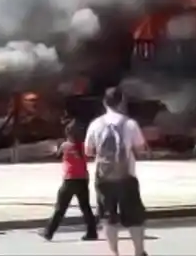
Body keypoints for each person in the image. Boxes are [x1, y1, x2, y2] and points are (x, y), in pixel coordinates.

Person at [85, 86, 148, 256]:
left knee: (108, 217)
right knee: (134, 217)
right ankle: (139, 251)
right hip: (127, 176)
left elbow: (88, 151)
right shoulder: (130, 124)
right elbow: (140, 149)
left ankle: (114, 253)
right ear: (121, 102)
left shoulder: (95, 124)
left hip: (104, 177)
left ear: (104, 103)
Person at [41, 120, 98, 241]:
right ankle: (92, 232)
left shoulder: (64, 146)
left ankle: (49, 232)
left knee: (60, 208)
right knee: (85, 207)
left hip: (70, 179)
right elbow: (90, 156)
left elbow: (57, 155)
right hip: (82, 179)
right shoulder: (83, 146)